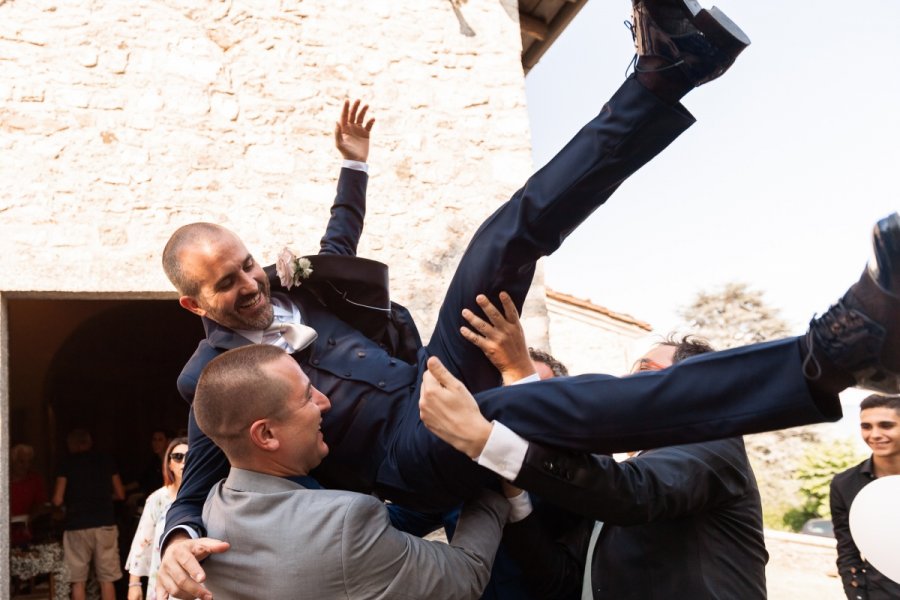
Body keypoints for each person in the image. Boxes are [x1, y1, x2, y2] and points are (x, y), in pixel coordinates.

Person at [160, 0, 900, 594]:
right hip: (405, 458)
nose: (252, 283)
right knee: (510, 411)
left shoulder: (295, 290)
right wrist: (177, 539)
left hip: (427, 384)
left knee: (498, 241)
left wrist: (353, 167)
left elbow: (339, 238)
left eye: (251, 264)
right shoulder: (209, 379)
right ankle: (832, 353)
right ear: (195, 305)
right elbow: (196, 485)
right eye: (228, 284)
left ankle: (663, 73)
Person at [170, 344, 515, 600]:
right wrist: (486, 463)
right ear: (266, 435)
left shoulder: (214, 507)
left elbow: (374, 534)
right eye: (307, 396)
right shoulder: (346, 521)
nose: (324, 402)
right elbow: (465, 573)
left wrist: (440, 477)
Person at [454, 327, 767, 599]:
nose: (625, 385)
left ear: (691, 389)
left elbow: (634, 492)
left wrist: (524, 384)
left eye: (644, 371)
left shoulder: (714, 445)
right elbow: (561, 580)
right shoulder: (622, 482)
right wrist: (516, 498)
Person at [830, 394, 900, 599]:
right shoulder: (844, 484)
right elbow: (847, 551)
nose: (875, 434)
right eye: (866, 426)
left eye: (886, 425)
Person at [52, 429, 126, 600]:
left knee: (78, 580)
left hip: (76, 526)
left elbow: (57, 499)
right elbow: (121, 494)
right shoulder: (106, 460)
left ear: (72, 444)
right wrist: (104, 498)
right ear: (89, 442)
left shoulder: (66, 464)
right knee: (107, 579)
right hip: (105, 524)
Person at [125, 437, 188, 600]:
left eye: (190, 457)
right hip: (162, 579)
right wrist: (134, 584)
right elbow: (143, 540)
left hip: (197, 579)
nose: (184, 462)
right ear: (169, 464)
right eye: (178, 457)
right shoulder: (157, 499)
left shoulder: (208, 497)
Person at [10, 443, 49, 547]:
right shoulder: (3, 478)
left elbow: (41, 505)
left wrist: (30, 518)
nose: (26, 466)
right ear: (12, 462)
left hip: (26, 534)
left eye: (29, 462)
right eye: (21, 462)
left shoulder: (35, 479)